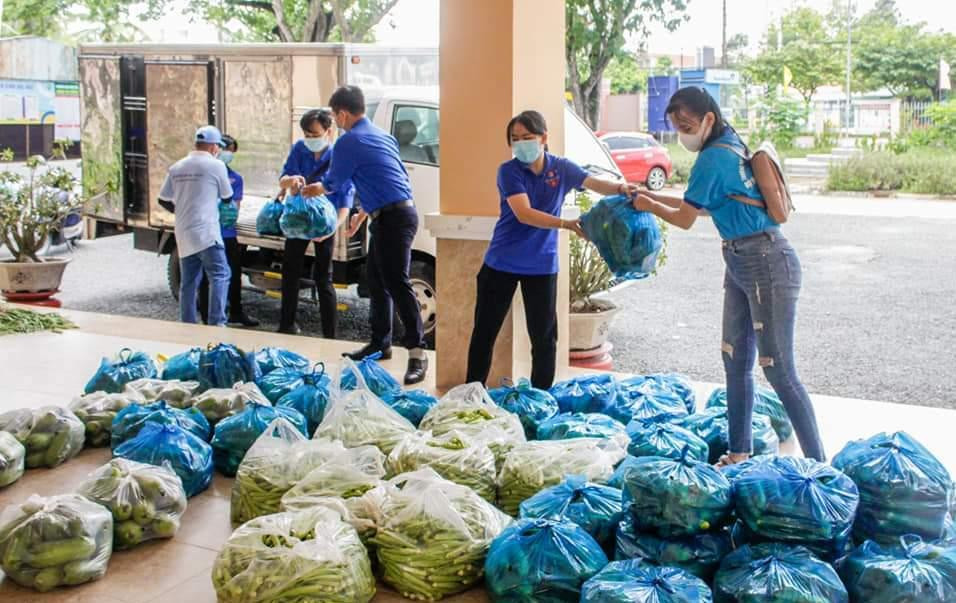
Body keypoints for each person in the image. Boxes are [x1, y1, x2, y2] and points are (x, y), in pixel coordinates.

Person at [629, 86, 825, 464]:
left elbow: (685, 218)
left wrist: (649, 203)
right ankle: (739, 454)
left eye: (687, 124)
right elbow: (702, 206)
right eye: (676, 126)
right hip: (740, 258)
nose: (682, 133)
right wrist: (650, 200)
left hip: (765, 259)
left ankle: (820, 467)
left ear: (708, 119)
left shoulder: (712, 159)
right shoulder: (729, 144)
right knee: (735, 361)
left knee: (779, 370)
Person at [465, 110, 631, 390]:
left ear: (544, 138)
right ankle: (470, 393)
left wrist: (621, 188)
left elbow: (593, 182)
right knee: (484, 332)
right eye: (514, 139)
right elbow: (524, 213)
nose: (521, 144)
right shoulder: (508, 171)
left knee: (543, 337)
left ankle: (542, 396)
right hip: (501, 263)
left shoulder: (561, 169)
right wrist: (566, 224)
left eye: (527, 137)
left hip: (541, 266)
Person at [301, 85, 427, 385]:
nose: (336, 120)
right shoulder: (383, 135)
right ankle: (380, 342)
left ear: (342, 113)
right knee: (376, 280)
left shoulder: (348, 142)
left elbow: (333, 182)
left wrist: (313, 189)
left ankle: (417, 354)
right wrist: (361, 213)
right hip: (392, 214)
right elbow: (381, 177)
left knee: (397, 282)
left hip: (393, 218)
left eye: (335, 115)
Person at [276, 109, 355, 337]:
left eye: (314, 134)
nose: (310, 139)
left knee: (323, 278)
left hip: (324, 224)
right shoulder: (300, 149)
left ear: (328, 131)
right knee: (290, 272)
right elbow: (283, 179)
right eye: (306, 134)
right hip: (298, 220)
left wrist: (333, 227)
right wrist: (289, 181)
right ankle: (286, 324)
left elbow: (345, 199)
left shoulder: (339, 157)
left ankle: (330, 334)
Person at [157, 125, 233, 327]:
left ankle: (187, 323)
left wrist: (182, 211)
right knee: (220, 275)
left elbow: (163, 199)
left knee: (189, 282)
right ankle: (217, 322)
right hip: (207, 232)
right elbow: (227, 197)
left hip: (184, 232)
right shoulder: (216, 166)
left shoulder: (177, 167)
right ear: (214, 147)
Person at [198, 134, 259, 327]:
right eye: (225, 149)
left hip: (227, 233)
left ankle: (236, 311)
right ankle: (208, 316)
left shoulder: (235, 178)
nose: (227, 154)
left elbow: (235, 208)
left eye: (231, 152)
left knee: (233, 273)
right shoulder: (203, 173)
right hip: (207, 232)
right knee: (207, 276)